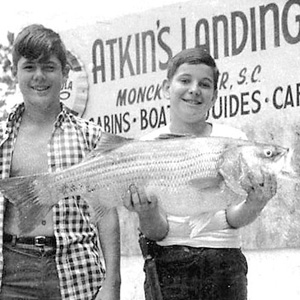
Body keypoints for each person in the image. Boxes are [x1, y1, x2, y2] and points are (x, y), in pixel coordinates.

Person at [124, 47, 277, 300]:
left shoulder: (235, 141)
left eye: (204, 84)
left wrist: (255, 202)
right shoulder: (145, 147)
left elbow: (232, 218)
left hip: (225, 262)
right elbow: (157, 232)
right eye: (185, 80)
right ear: (166, 88)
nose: (194, 89)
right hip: (168, 265)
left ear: (215, 96)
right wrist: (146, 211)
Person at [0, 24, 121, 300]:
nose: (39, 76)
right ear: (14, 73)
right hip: (12, 273)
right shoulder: (1, 138)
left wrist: (112, 284)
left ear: (65, 74)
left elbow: (107, 213)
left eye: (49, 67)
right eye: (29, 67)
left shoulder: (91, 137)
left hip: (76, 270)